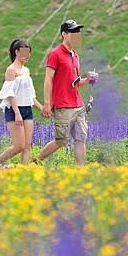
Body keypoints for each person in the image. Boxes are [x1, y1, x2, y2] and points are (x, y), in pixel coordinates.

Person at [33, 19, 98, 166]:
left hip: (78, 105)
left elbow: (74, 81)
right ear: (64, 34)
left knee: (81, 139)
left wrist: (88, 80)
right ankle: (36, 162)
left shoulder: (75, 55)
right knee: (61, 141)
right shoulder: (55, 54)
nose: (76, 35)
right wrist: (47, 103)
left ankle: (81, 170)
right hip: (63, 105)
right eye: (73, 32)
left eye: (78, 32)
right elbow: (48, 79)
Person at [0, 39, 43, 165]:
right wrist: (17, 113)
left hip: (27, 109)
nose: (27, 55)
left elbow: (30, 95)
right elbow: (10, 93)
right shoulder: (11, 70)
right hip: (14, 110)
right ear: (17, 52)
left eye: (29, 52)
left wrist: (41, 107)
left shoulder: (27, 70)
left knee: (27, 145)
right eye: (25, 52)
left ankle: (23, 172)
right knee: (19, 145)